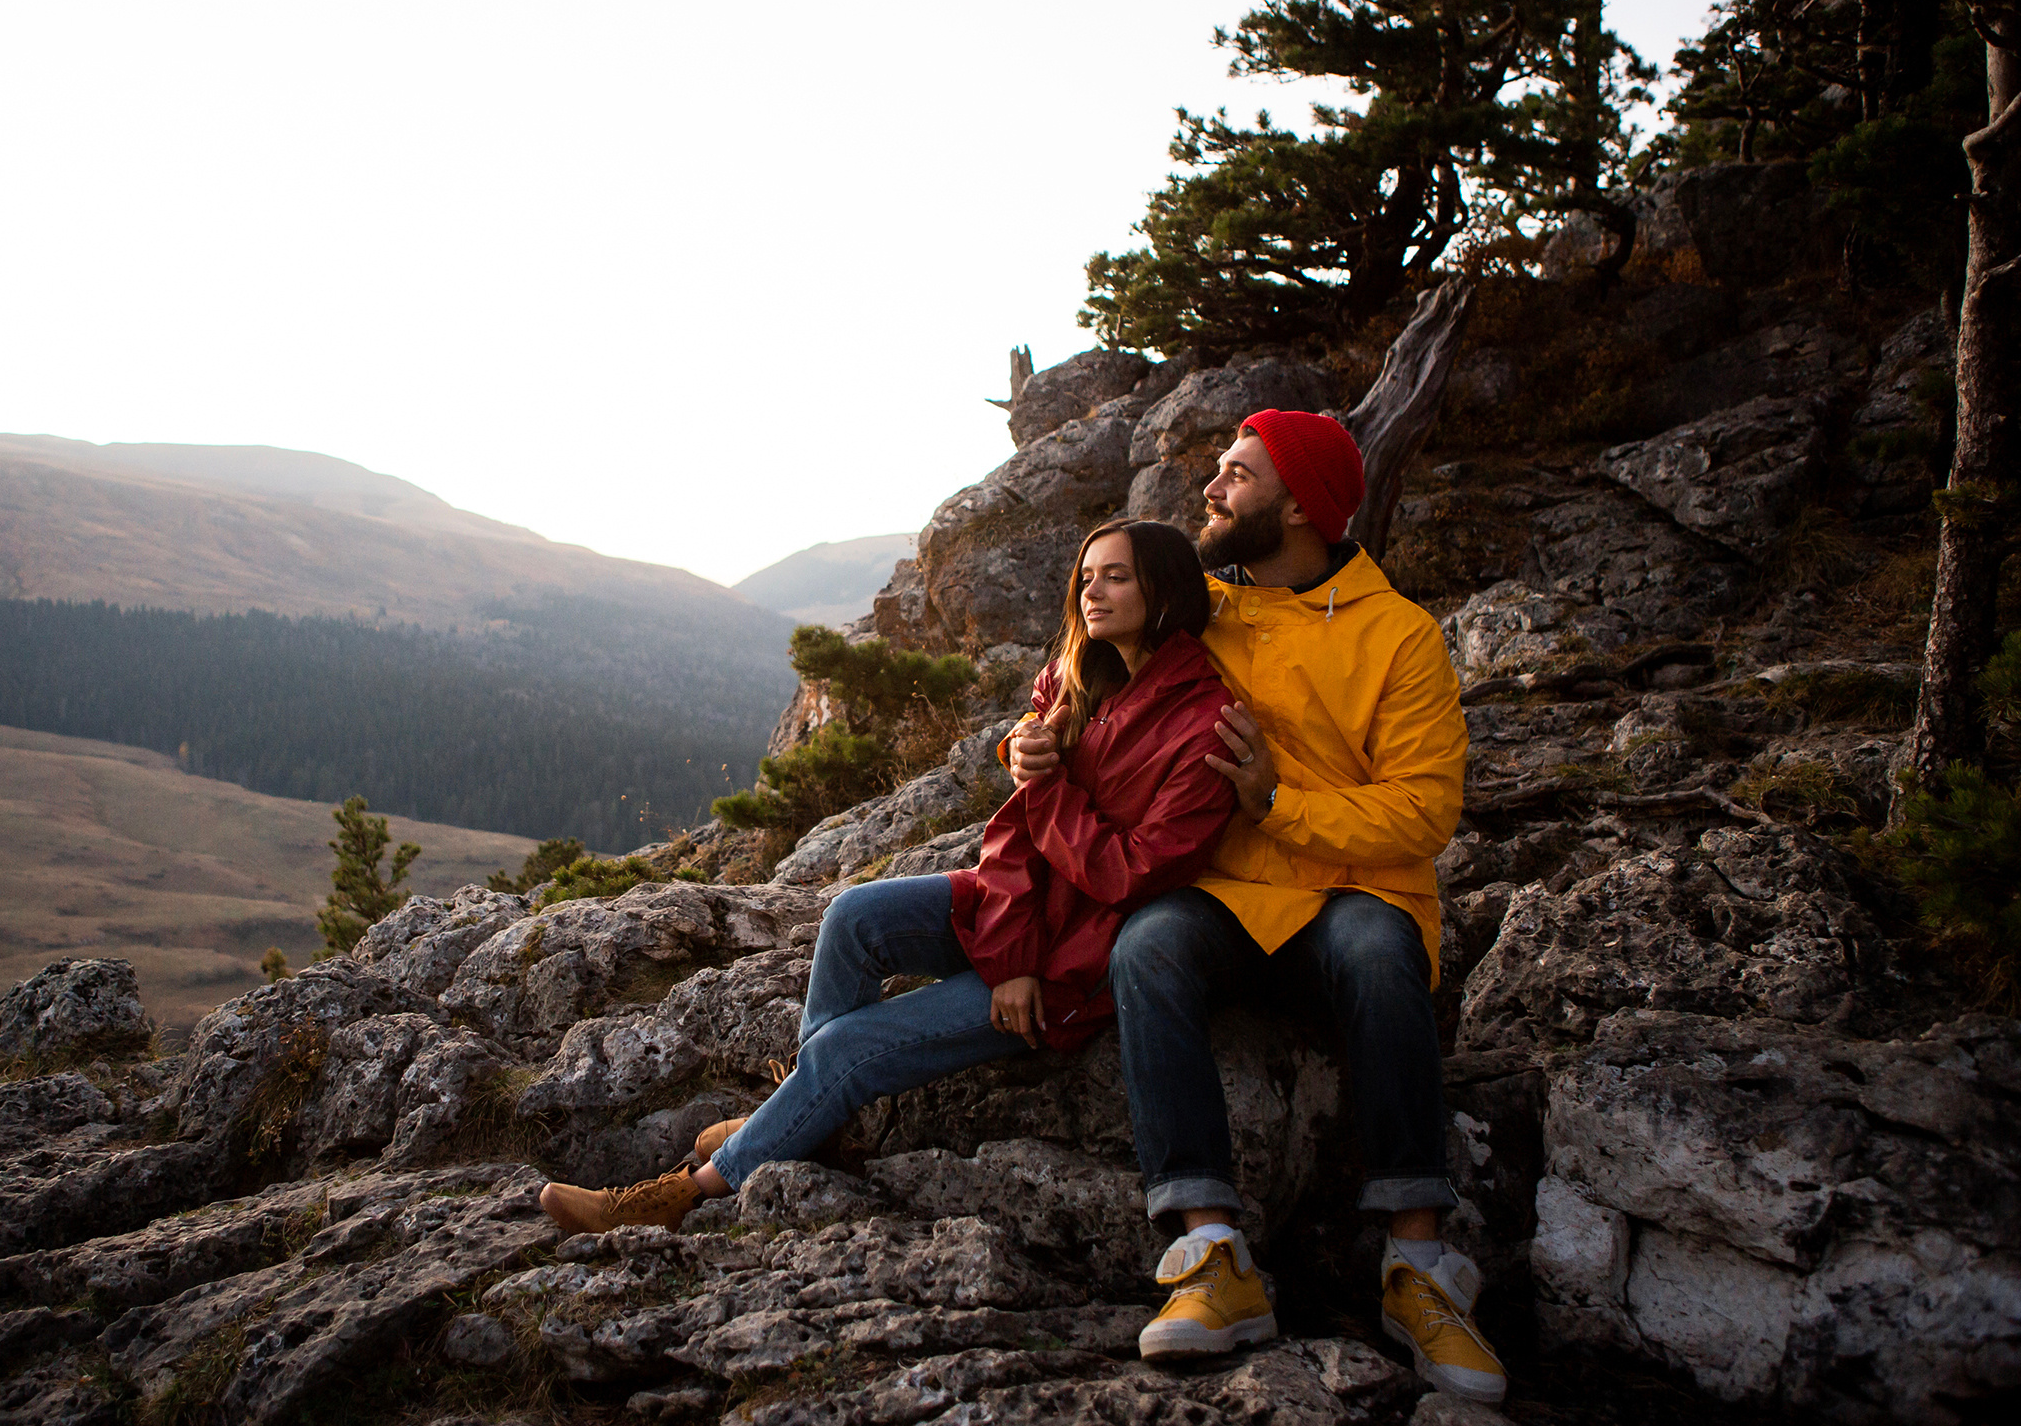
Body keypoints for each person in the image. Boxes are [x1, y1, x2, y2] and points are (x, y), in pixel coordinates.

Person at [537, 519, 1239, 1237]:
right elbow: (1016, 832)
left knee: (846, 1050)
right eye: (1086, 576)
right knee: (853, 918)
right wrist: (1011, 944)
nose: (1093, 592)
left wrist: (1042, 820)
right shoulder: (1075, 677)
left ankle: (681, 1196)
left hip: (1072, 966)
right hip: (1023, 921)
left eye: (1116, 577)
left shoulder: (1204, 723)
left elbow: (1129, 875)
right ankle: (808, 1116)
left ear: (1165, 591)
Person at [1006, 408, 1502, 1405]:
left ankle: (1418, 1267)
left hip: (1355, 891)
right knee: (1149, 943)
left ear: (1300, 501)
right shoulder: (1209, 608)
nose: (1212, 488)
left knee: (1372, 947)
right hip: (1229, 895)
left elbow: (1425, 811)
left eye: (1236, 473)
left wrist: (1278, 801)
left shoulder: (1398, 635)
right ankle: (1211, 1255)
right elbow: (1077, 676)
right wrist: (1025, 744)